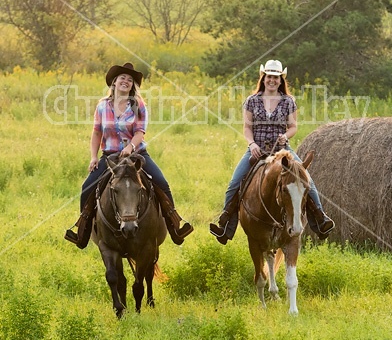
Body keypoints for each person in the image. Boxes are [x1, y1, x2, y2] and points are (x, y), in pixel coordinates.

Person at [65, 62, 193, 248]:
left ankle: (175, 226)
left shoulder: (139, 105)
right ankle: (82, 232)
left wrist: (130, 147)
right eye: (122, 78)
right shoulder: (102, 106)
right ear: (114, 82)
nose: (126, 81)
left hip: (136, 155)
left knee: (161, 182)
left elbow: (140, 132)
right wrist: (93, 156)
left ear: (133, 86)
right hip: (110, 156)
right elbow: (96, 132)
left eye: (130, 80)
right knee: (87, 186)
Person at [210, 59, 335, 244]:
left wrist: (286, 136)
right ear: (263, 77)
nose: (272, 80)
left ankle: (320, 218)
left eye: (276, 77)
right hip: (257, 150)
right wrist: (251, 144)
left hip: (282, 151)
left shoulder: (288, 101)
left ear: (281, 79)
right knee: (234, 183)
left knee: (306, 179)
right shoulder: (251, 101)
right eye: (269, 76)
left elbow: (293, 126)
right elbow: (246, 128)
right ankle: (225, 225)